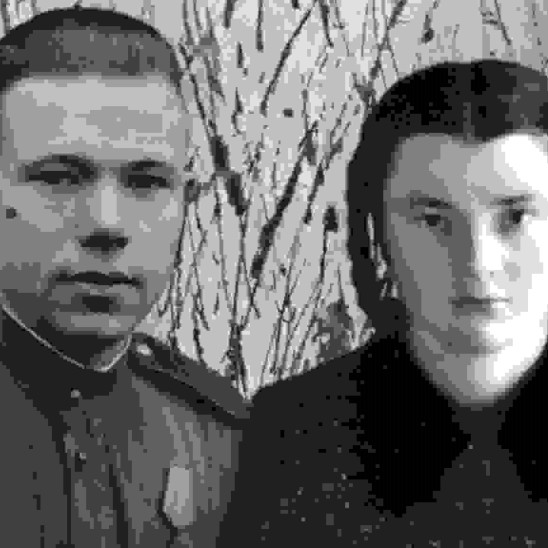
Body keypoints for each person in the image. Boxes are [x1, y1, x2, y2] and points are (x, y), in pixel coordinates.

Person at [222, 59, 548, 546]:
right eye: (434, 220)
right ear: (379, 230)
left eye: (516, 217)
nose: (478, 263)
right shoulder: (290, 432)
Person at [0, 6, 247, 547]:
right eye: (60, 178)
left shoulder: (215, 441)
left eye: (146, 182)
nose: (107, 225)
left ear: (185, 200)